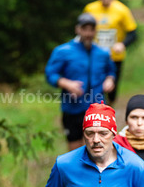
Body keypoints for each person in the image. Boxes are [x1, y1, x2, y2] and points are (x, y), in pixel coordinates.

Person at [45, 13, 116, 150]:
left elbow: (111, 71)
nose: (88, 33)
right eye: (85, 29)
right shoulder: (63, 51)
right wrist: (66, 83)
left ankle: (96, 172)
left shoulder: (103, 52)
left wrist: (110, 79)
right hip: (73, 107)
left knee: (97, 148)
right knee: (75, 150)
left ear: (95, 31)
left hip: (97, 108)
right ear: (78, 29)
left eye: (91, 29)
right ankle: (76, 172)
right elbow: (50, 74)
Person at [84, 0, 138, 105]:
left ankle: (110, 109)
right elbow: (83, 30)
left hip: (114, 56)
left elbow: (133, 33)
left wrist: (122, 44)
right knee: (94, 85)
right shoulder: (90, 9)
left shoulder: (122, 10)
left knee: (112, 88)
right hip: (94, 56)